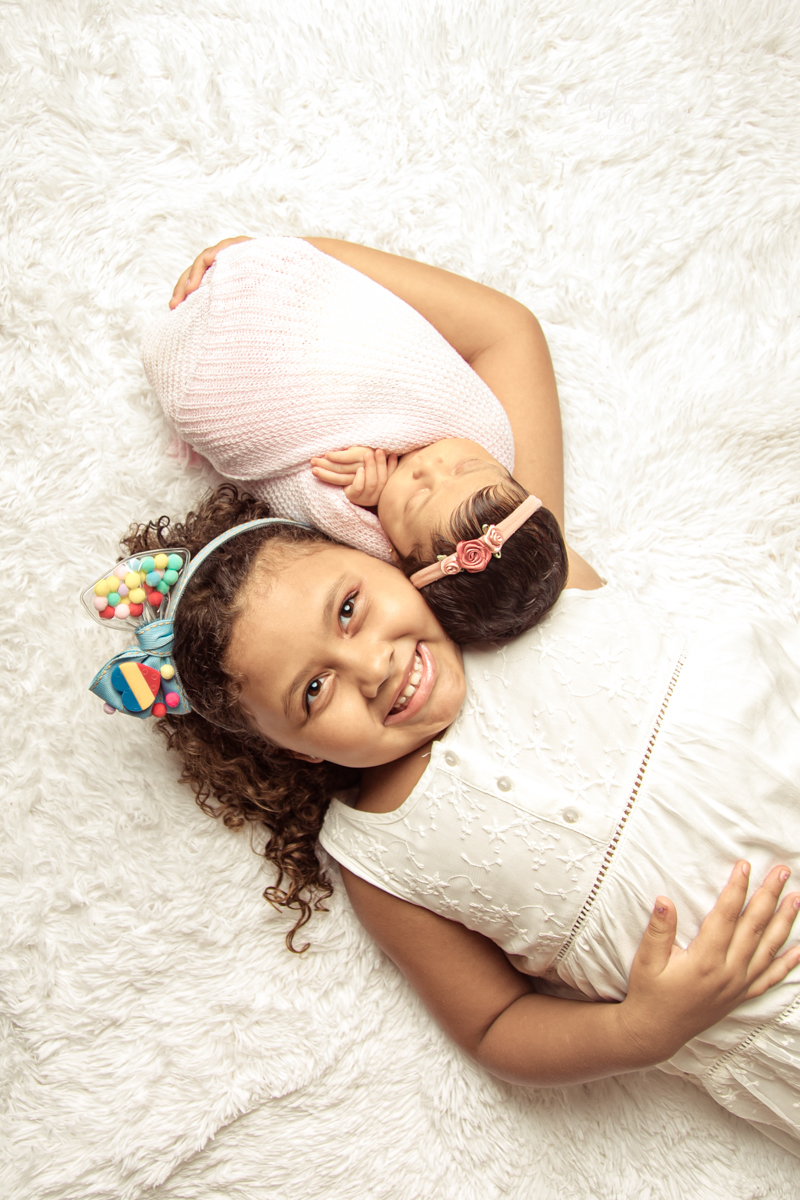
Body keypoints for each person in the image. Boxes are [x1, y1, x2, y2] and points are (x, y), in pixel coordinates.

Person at [89, 483, 800, 1155]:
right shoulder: (377, 851)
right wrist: (641, 1030)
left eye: (348, 609)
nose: (371, 668)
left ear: (383, 561)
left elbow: (506, 350)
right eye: (313, 689)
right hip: (763, 1010)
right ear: (291, 751)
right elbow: (495, 1026)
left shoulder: (509, 588)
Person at [141, 234, 602, 641]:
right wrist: (291, 261)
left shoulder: (382, 539)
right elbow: (440, 354)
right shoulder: (489, 441)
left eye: (417, 497)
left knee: (213, 400)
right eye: (465, 467)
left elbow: (318, 502)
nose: (431, 468)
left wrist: (365, 502)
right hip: (325, 337)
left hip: (280, 397)